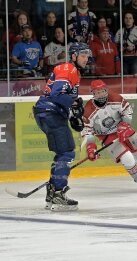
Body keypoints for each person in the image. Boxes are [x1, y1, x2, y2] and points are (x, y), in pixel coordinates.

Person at [33, 42, 91, 211]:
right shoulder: (68, 69)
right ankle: (58, 193)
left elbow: (63, 98)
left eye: (87, 55)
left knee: (63, 152)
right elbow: (56, 94)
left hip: (48, 112)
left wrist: (74, 115)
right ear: (73, 56)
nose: (86, 58)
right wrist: (74, 103)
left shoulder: (73, 72)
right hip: (50, 112)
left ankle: (53, 192)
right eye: (83, 55)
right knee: (67, 152)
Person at [81, 79, 137, 191]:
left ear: (106, 90)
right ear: (93, 94)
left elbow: (127, 111)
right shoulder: (87, 111)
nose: (100, 94)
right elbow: (88, 132)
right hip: (107, 136)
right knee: (128, 159)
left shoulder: (116, 98)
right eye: (97, 92)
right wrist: (91, 149)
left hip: (123, 129)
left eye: (102, 91)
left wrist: (125, 124)